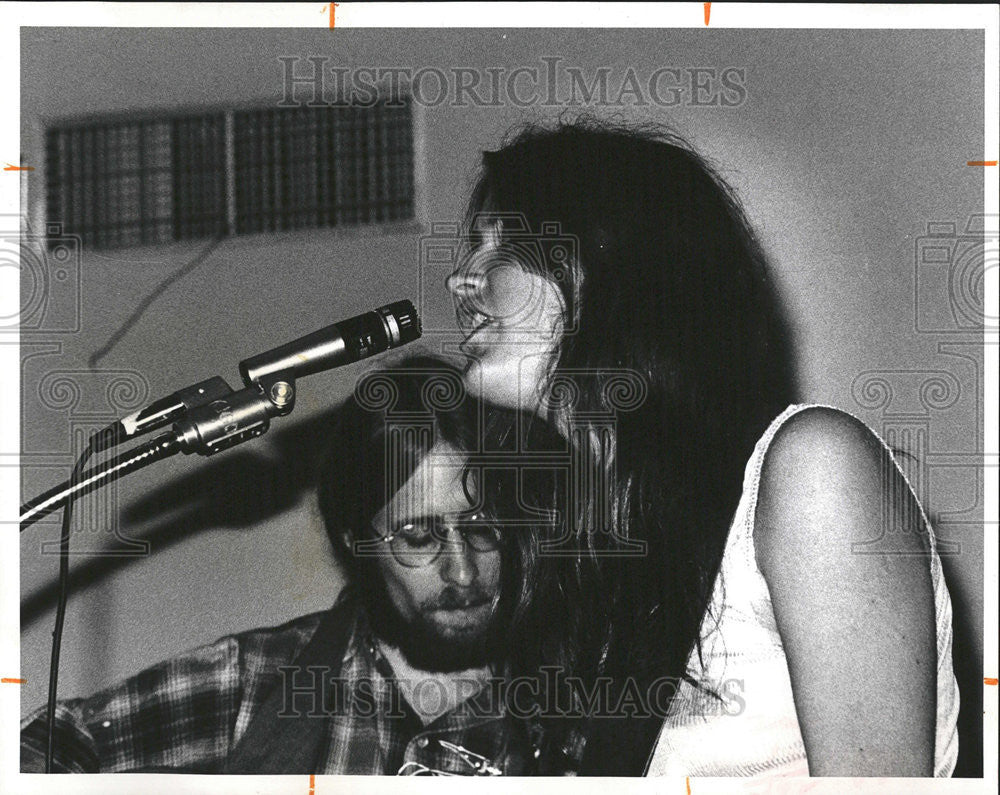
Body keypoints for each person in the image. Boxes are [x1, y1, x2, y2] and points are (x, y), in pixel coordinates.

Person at [443, 117, 961, 777]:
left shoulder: (813, 466)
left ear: (607, 263)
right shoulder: (599, 534)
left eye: (503, 244)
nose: (462, 278)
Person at [19, 357, 545, 775]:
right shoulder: (260, 680)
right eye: (418, 536)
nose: (463, 571)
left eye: (482, 526)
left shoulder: (570, 697)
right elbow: (59, 741)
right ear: (356, 543)